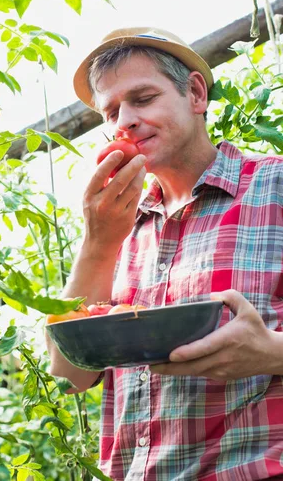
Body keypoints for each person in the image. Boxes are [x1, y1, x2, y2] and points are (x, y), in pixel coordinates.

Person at [45, 27, 283, 480]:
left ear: (195, 93)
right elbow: (68, 372)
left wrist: (271, 352)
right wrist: (98, 242)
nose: (124, 122)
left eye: (143, 98)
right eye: (110, 111)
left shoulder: (274, 187)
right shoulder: (121, 227)